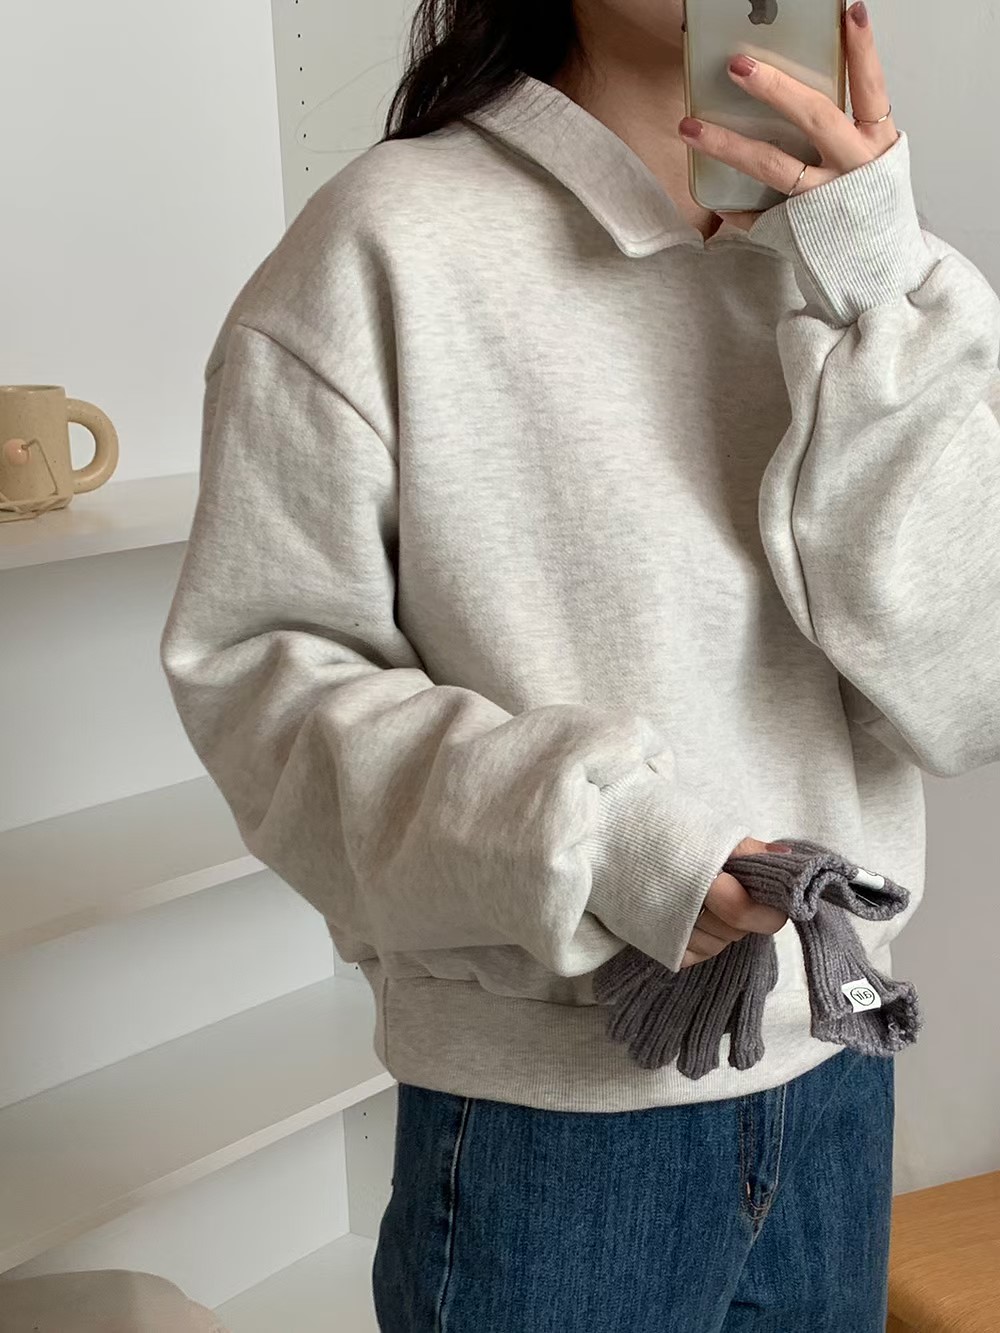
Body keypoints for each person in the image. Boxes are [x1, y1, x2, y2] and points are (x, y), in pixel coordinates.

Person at [159, 0, 1000, 1328]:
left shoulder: (877, 272)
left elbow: (971, 690)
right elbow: (267, 694)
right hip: (547, 1136)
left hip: (835, 1079)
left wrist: (873, 287)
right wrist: (600, 838)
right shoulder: (387, 243)